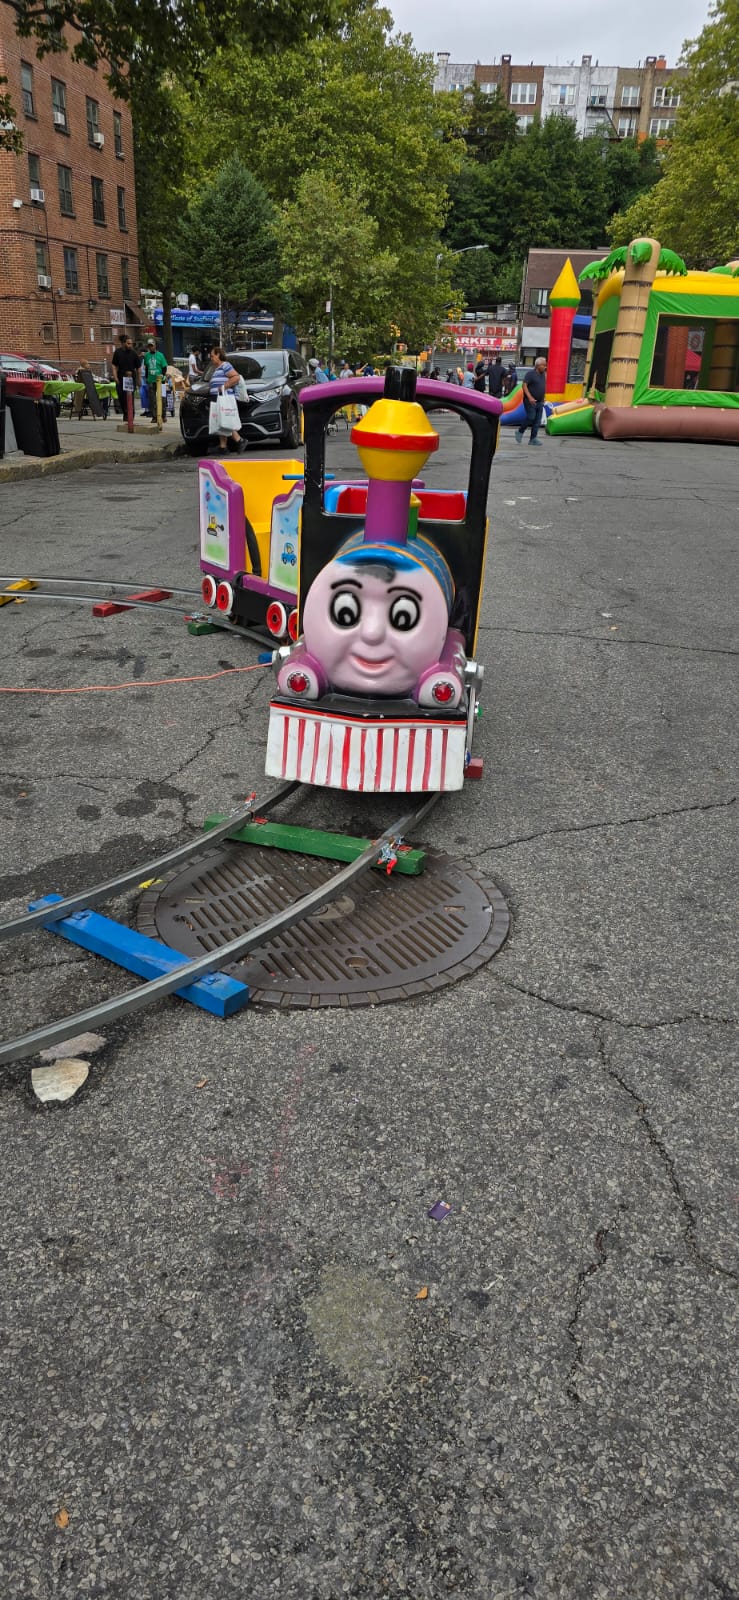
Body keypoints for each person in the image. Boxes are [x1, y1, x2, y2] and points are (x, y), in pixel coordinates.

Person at [208, 343, 243, 452]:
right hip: (219, 398)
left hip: (224, 397)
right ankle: (223, 447)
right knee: (221, 421)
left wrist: (224, 386)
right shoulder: (217, 368)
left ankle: (239, 440)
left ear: (218, 355)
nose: (211, 358)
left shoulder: (225, 365)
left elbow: (236, 377)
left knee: (224, 420)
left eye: (212, 356)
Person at [515, 356, 547, 445]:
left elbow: (542, 386)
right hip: (530, 401)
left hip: (540, 401)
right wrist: (529, 397)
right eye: (544, 365)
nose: (545, 367)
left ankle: (533, 439)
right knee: (531, 417)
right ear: (538, 365)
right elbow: (524, 385)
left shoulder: (543, 375)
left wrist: (544, 397)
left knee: (537, 421)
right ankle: (520, 431)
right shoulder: (530, 374)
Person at [111, 331, 140, 417]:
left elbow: (138, 367)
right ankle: (125, 413)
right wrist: (115, 376)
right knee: (121, 397)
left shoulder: (134, 353)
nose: (130, 345)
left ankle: (131, 415)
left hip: (131, 378)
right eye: (128, 343)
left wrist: (139, 379)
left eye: (131, 344)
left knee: (130, 396)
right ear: (123, 343)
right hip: (121, 377)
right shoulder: (118, 352)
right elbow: (114, 365)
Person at [142, 338, 168, 428]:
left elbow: (164, 367)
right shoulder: (146, 356)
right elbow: (146, 368)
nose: (150, 347)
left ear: (155, 346)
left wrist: (163, 376)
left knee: (162, 398)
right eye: (149, 346)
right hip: (151, 380)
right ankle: (154, 417)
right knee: (152, 399)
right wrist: (146, 377)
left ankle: (163, 415)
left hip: (161, 380)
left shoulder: (160, 355)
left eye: (152, 346)